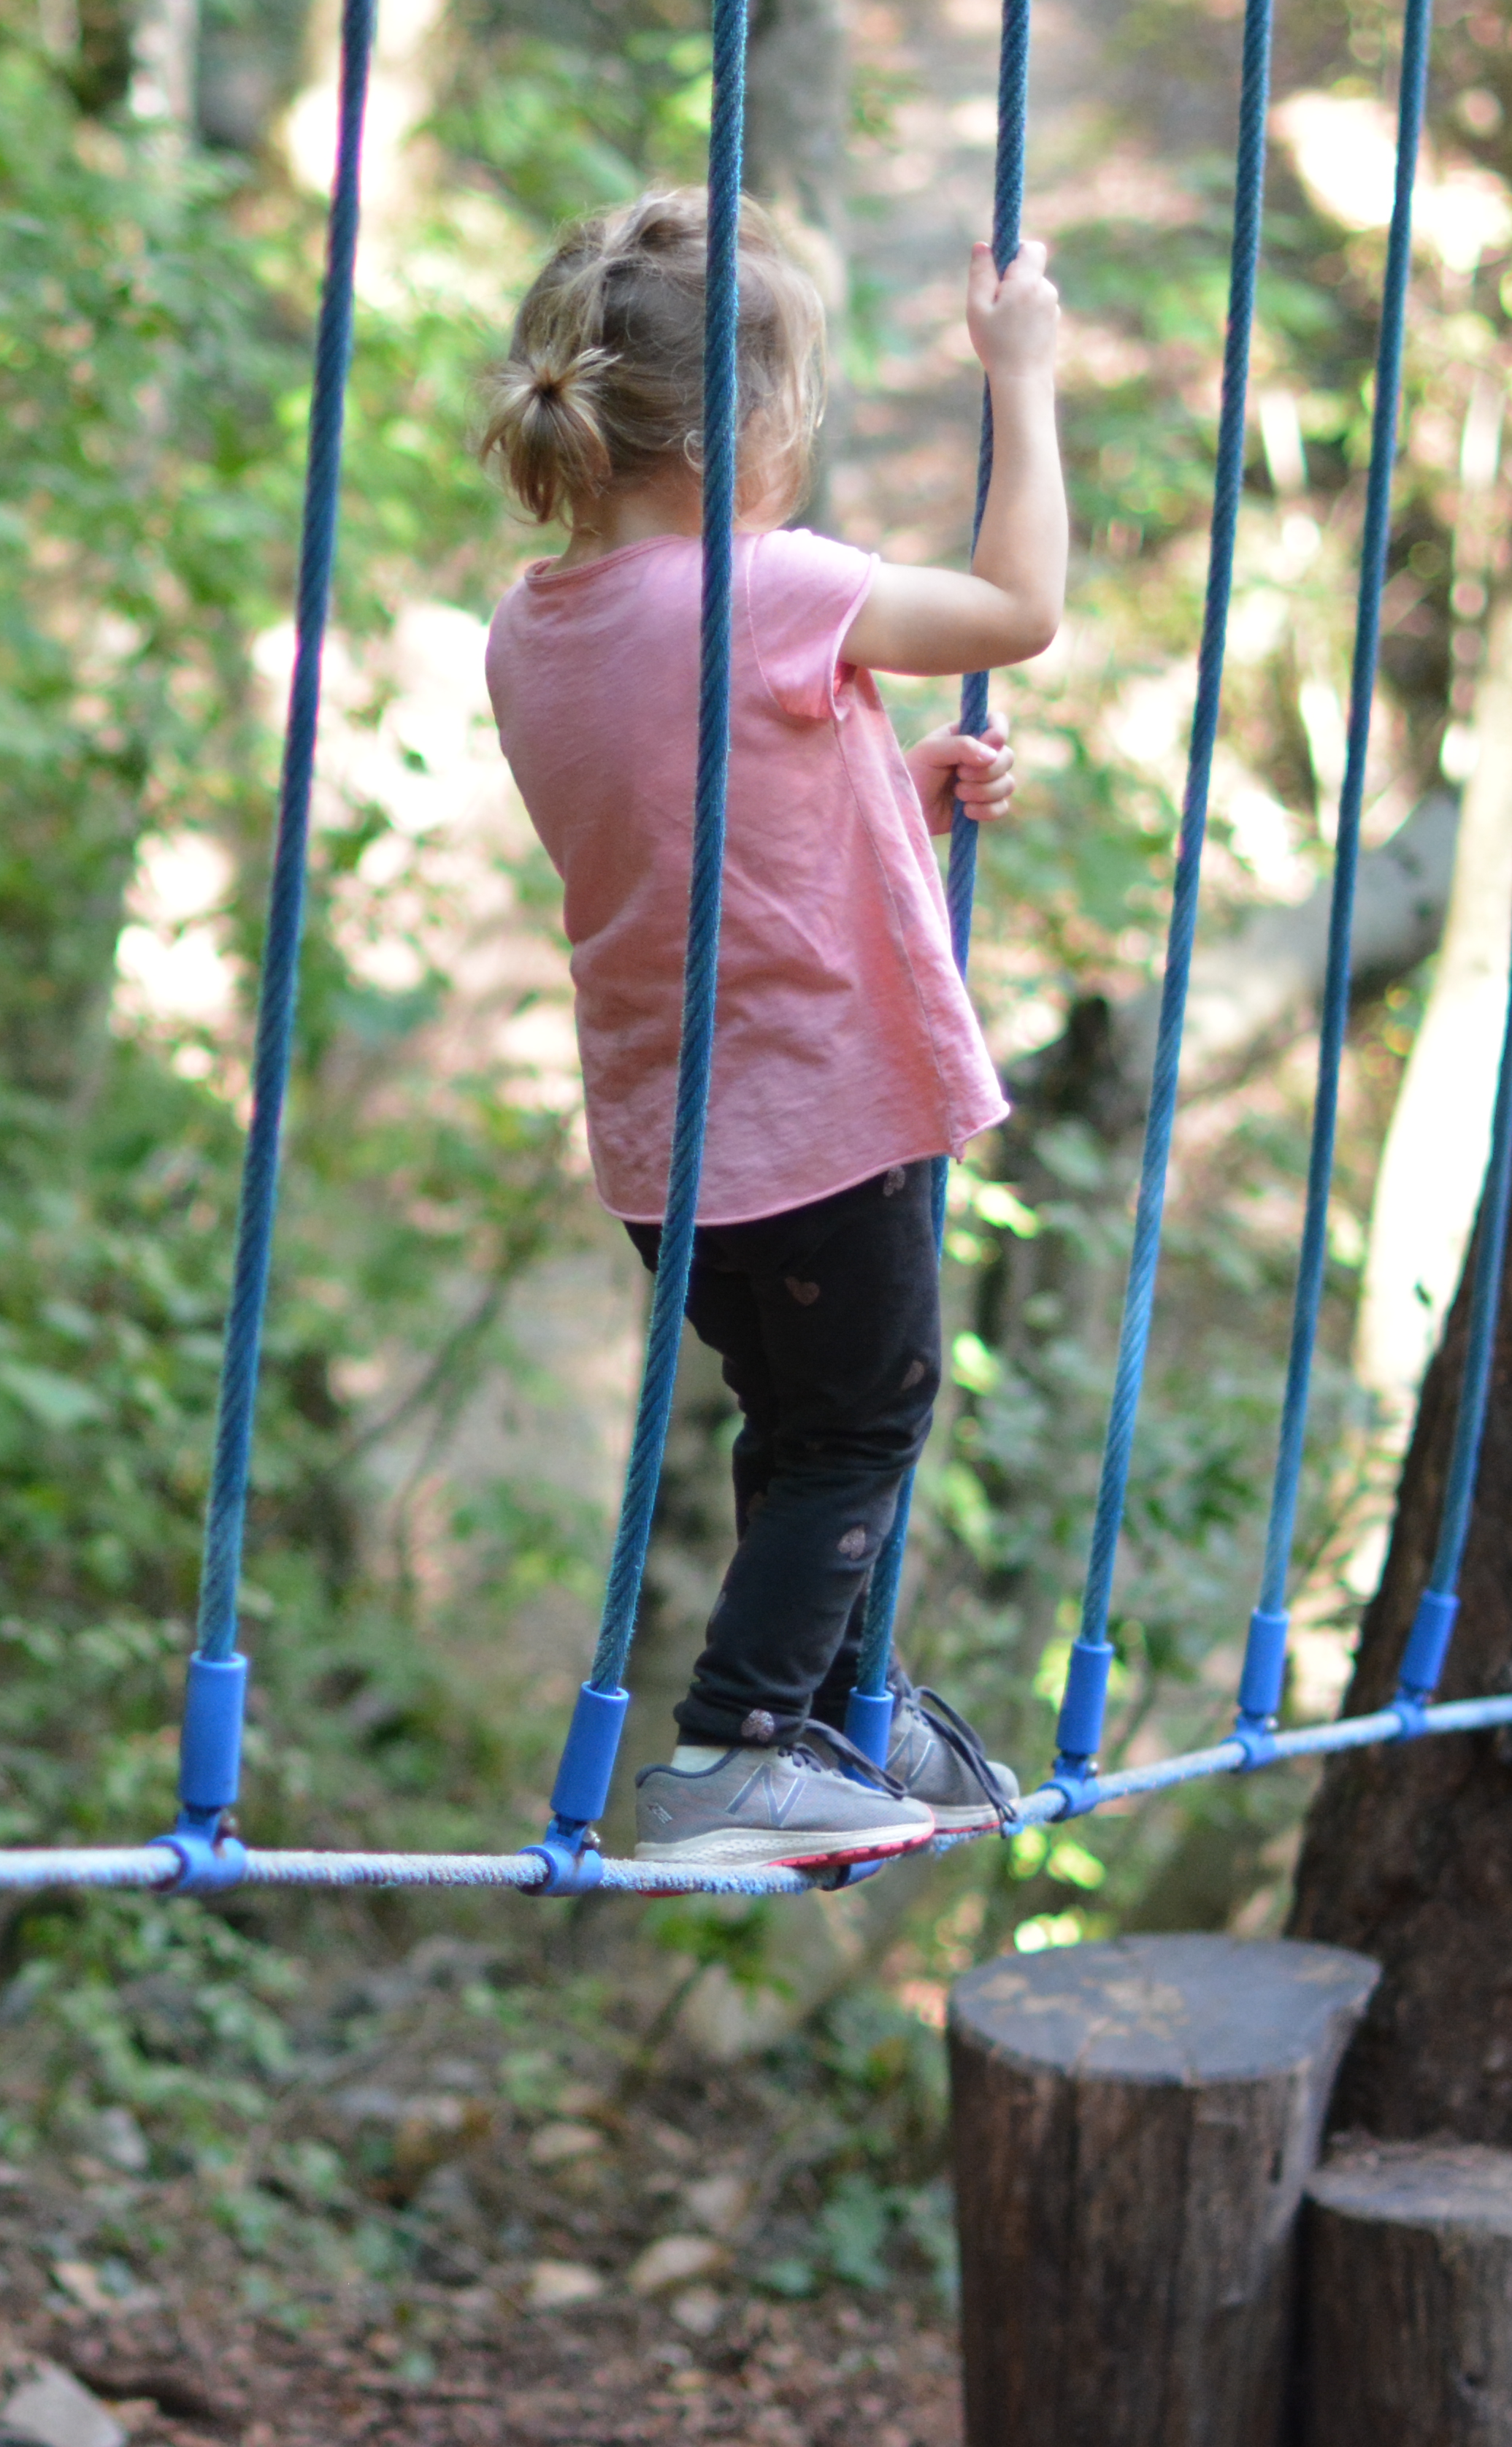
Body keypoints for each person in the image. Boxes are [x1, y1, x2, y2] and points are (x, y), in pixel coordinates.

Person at [479, 189, 1066, 1871]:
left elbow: (693, 823)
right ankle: (740, 1739)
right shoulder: (769, 584)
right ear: (759, 427)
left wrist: (894, 784)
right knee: (867, 1419)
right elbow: (1019, 609)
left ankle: (842, 1716)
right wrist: (1019, 376)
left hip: (674, 1154)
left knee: (805, 1421)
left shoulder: (536, 628)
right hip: (811, 1118)